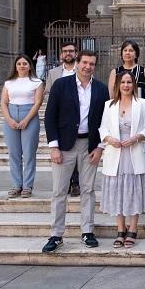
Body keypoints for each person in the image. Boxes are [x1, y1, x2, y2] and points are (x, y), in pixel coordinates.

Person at [42, 50, 109, 253]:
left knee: (88, 190)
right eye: (85, 62)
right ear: (77, 63)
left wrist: (100, 147)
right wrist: (53, 146)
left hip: (89, 145)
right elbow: (50, 116)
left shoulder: (101, 88)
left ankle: (87, 231)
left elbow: (105, 120)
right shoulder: (62, 85)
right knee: (59, 191)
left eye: (92, 63)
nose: (88, 66)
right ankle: (56, 234)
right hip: (64, 146)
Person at [99, 71, 145, 248]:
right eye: (122, 82)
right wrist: (109, 139)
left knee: (134, 190)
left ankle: (132, 229)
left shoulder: (143, 104)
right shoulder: (109, 105)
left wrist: (136, 137)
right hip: (116, 153)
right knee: (118, 191)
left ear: (134, 84)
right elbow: (103, 128)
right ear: (117, 85)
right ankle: (120, 229)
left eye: (129, 82)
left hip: (135, 152)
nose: (126, 85)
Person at [1, 54, 44, 199]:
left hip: (29, 115)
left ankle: (27, 186)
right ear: (15, 66)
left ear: (29, 66)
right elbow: (4, 102)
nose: (21, 66)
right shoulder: (9, 82)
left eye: (24, 63)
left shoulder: (36, 82)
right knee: (14, 153)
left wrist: (26, 119)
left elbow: (38, 102)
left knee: (29, 153)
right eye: (19, 63)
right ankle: (16, 185)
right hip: (11, 115)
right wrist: (9, 120)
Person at [45, 41, 80, 197]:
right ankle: (64, 184)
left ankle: (76, 183)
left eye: (71, 51)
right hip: (61, 119)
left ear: (76, 53)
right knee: (64, 152)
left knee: (77, 153)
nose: (68, 54)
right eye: (65, 51)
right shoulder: (53, 73)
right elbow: (47, 92)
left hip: (79, 118)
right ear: (61, 54)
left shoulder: (82, 69)